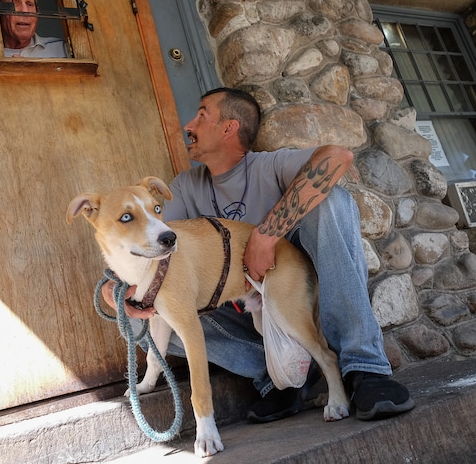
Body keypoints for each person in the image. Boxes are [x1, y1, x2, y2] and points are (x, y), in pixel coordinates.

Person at [103, 87, 415, 423]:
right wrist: (114, 290)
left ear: (229, 128)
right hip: (238, 307)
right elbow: (142, 236)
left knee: (331, 201)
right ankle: (286, 377)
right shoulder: (185, 186)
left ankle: (364, 367)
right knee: (149, 328)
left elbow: (338, 157)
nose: (189, 125)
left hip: (293, 287)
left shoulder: (270, 165)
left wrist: (265, 236)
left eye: (202, 114)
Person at [0, 0, 69, 58]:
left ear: (37, 11)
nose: (25, 11)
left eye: (30, 4)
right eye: (15, 4)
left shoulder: (63, 50)